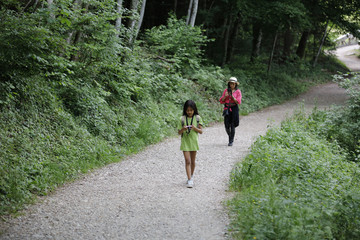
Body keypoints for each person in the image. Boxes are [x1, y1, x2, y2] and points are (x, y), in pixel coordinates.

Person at [177, 100, 203, 188]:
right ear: (185, 110)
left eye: (191, 110)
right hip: (185, 143)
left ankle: (191, 176)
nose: (189, 112)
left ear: (194, 110)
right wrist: (183, 130)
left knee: (192, 161)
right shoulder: (182, 119)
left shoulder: (197, 118)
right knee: (187, 161)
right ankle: (189, 179)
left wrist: (195, 128)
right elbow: (179, 133)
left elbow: (201, 131)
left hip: (194, 142)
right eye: (188, 110)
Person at [219, 77, 242, 146]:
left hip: (234, 108)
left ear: (235, 84)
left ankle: (231, 140)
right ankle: (230, 135)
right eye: (230, 84)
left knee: (232, 124)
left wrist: (232, 97)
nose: (232, 85)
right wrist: (225, 96)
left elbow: (238, 101)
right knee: (226, 125)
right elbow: (221, 101)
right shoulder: (226, 90)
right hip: (227, 108)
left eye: (233, 84)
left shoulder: (238, 91)